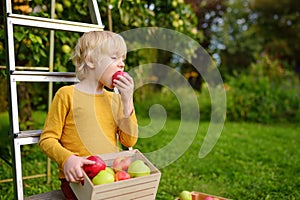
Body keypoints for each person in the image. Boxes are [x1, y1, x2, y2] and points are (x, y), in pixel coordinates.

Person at [39, 31, 138, 200]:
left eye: (123, 59)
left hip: (110, 176)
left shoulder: (116, 100)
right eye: (114, 58)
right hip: (78, 180)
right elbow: (47, 139)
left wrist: (128, 101)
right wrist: (67, 159)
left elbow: (129, 141)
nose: (121, 64)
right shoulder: (66, 95)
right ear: (91, 60)